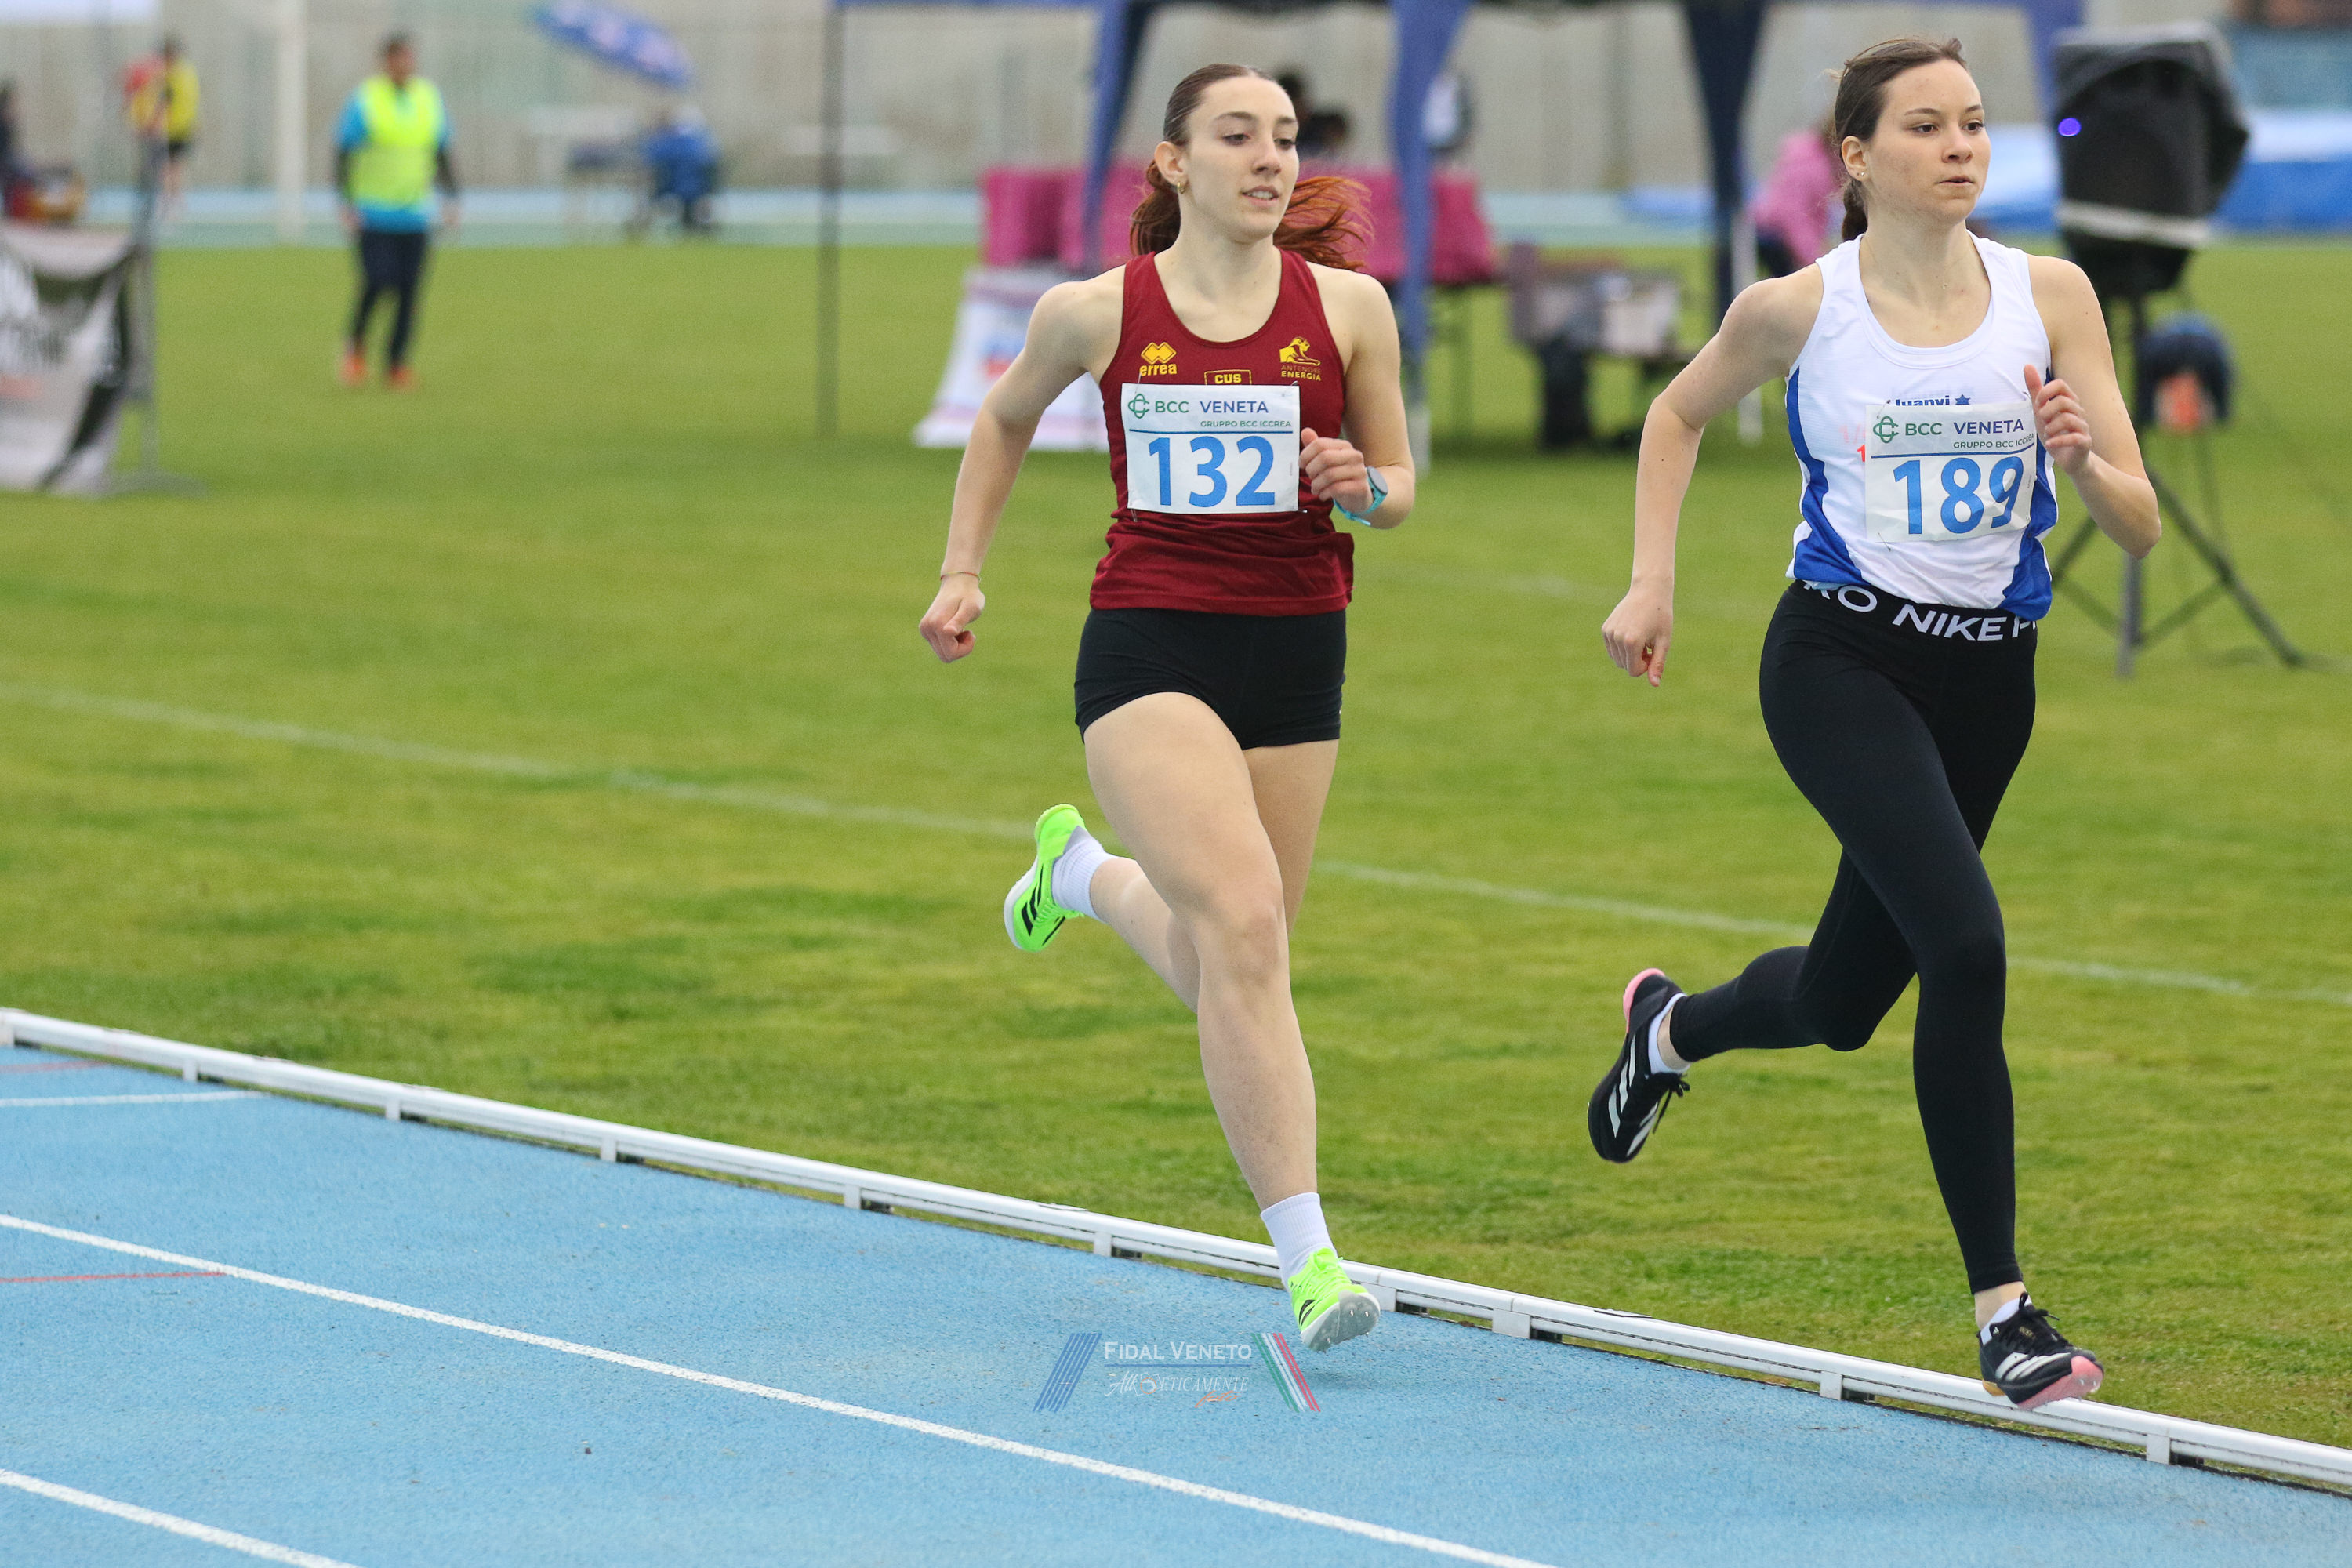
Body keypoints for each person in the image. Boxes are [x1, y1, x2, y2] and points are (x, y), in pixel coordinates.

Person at [1590, 37, 2158, 1411]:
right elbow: (1674, 415)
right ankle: (2006, 1314)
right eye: (1926, 126)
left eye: (1975, 123)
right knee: (1966, 945)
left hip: (1990, 683)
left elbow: (2139, 524)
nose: (1961, 147)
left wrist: (2083, 460)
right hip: (1840, 662)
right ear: (1856, 157)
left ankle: (1668, 1032)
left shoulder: (2053, 295)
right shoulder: (1800, 308)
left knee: (1845, 1005)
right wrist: (1652, 582)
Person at [917, 64, 1414, 1353]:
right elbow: (1001, 420)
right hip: (1151, 646)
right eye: (1238, 136)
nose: (1271, 158)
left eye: (1286, 138)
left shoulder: (1350, 308)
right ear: (1176, 163)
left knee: (1231, 958)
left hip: (1298, 654)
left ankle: (1081, 877)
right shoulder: (1096, 311)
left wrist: (1360, 484)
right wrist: (963, 571)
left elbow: (1397, 487)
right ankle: (1312, 1264)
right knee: (1243, 925)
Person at [336, 34, 459, 390]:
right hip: (373, 211)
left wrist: (451, 198)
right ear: (386, 62)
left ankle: (397, 363)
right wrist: (346, 202)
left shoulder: (428, 97)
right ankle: (355, 346)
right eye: (399, 59)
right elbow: (344, 151)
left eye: (409, 58)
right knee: (377, 281)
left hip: (416, 212)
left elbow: (441, 151)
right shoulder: (366, 99)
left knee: (409, 291)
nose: (406, 65)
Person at [1750, 119, 1839, 278]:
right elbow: (1793, 217)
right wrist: (1817, 260)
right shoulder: (1809, 166)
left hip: (1778, 235)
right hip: (1774, 238)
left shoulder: (1816, 160)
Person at [123, 36, 199, 218]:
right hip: (183, 127)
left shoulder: (170, 75)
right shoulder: (187, 72)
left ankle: (168, 203)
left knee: (167, 168)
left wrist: (151, 125)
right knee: (174, 167)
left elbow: (165, 101)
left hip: (169, 129)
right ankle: (174, 202)